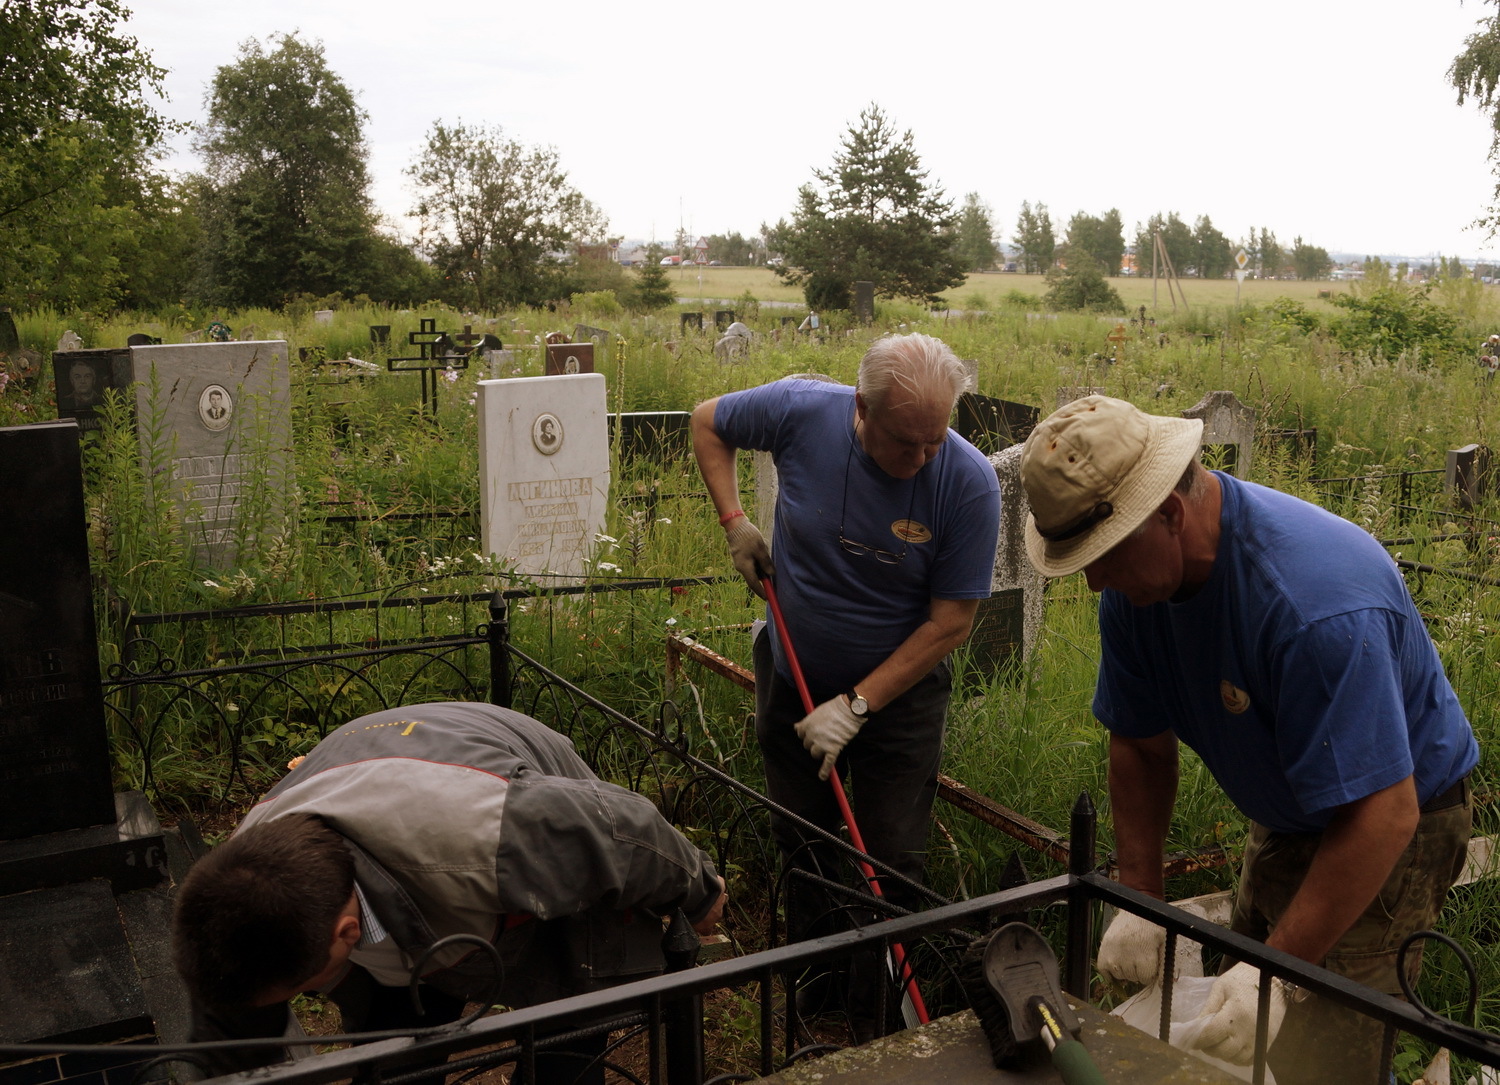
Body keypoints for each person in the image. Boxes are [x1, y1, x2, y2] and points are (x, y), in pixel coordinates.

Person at [1017, 395, 1477, 1084]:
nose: (1093, 579)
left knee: (1323, 1041)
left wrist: (1276, 975)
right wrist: (1142, 896)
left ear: (1168, 513)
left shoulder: (1314, 604)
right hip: (1294, 798)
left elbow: (1384, 810)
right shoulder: (1137, 588)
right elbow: (1140, 744)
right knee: (1233, 1024)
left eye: (1103, 555)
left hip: (1397, 816)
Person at [691, 333, 1000, 1031]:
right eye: (904, 442)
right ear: (861, 407)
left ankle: (881, 1026)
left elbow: (951, 622)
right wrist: (735, 522)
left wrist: (858, 705)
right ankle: (819, 999)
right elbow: (707, 421)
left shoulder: (968, 483)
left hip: (900, 698)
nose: (921, 458)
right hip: (794, 672)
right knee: (805, 840)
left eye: (936, 438)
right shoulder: (803, 412)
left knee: (891, 862)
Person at [172, 701, 727, 1084]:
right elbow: (232, 1040)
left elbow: (623, 829)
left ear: (347, 933)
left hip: (507, 788)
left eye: (302, 989)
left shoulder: (487, 834)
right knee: (394, 1046)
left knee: (567, 1019)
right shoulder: (240, 886)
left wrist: (701, 895)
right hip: (393, 792)